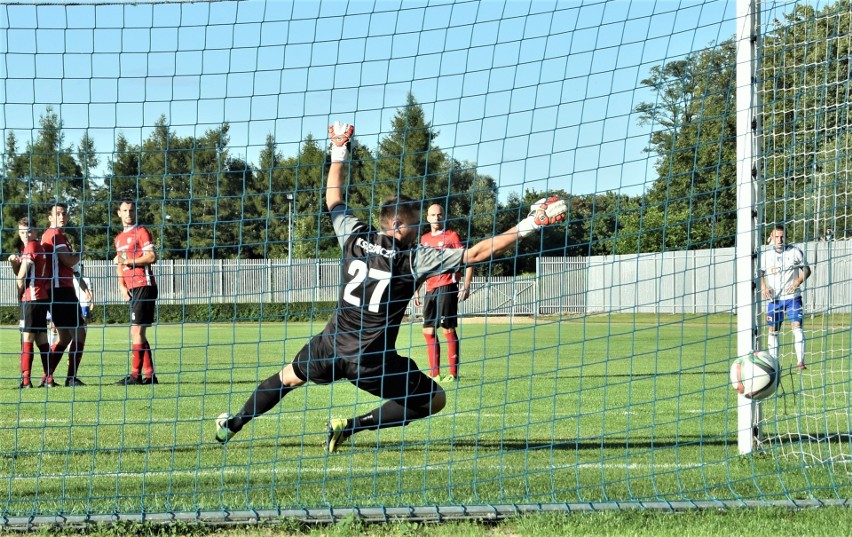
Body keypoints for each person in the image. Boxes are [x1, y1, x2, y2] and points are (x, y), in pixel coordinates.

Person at [215, 121, 567, 452]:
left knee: (287, 377)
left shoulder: (354, 235)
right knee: (435, 399)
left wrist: (338, 151)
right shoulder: (413, 258)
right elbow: (476, 253)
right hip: (371, 360)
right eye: (415, 225)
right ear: (399, 225)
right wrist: (530, 223)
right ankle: (352, 426)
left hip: (330, 344)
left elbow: (333, 199)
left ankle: (233, 424)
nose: (419, 231)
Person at [414, 204, 473, 382]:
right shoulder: (423, 239)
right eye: (433, 215)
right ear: (427, 218)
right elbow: (420, 267)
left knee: (448, 327)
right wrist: (416, 290)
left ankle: (453, 374)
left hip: (447, 287)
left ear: (444, 216)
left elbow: (468, 260)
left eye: (440, 215)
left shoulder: (452, 236)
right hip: (430, 289)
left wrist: (466, 285)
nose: (437, 218)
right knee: (428, 330)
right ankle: (434, 373)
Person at [41, 203, 89, 387]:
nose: (62, 217)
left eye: (64, 214)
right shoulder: (55, 235)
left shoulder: (56, 235)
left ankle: (47, 377)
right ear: (49, 217)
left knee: (64, 336)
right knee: (79, 332)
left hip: (57, 290)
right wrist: (81, 253)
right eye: (57, 214)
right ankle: (70, 378)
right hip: (60, 290)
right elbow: (68, 261)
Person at [113, 200, 159, 385]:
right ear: (119, 213)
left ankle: (135, 376)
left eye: (131, 210)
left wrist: (129, 260)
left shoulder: (141, 232)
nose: (128, 213)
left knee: (136, 331)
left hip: (144, 285)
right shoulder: (118, 238)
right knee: (138, 332)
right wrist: (121, 285)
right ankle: (149, 375)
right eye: (125, 210)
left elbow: (151, 256)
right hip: (131, 288)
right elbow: (119, 263)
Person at [760, 225, 812, 371]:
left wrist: (797, 282)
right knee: (773, 330)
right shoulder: (766, 256)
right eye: (777, 237)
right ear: (771, 237)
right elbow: (761, 274)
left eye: (782, 237)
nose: (780, 240)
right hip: (775, 299)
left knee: (797, 328)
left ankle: (800, 362)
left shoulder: (795, 251)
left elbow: (807, 270)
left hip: (793, 298)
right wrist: (764, 287)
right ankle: (774, 363)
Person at [8, 217, 51, 388]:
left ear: (35, 231)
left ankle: (26, 381)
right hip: (41, 297)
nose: (25, 235)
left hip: (31, 297)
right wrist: (14, 264)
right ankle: (48, 377)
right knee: (41, 338)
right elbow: (21, 271)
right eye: (22, 232)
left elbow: (21, 277)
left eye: (28, 231)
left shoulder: (31, 246)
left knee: (27, 337)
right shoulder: (37, 247)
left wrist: (19, 294)